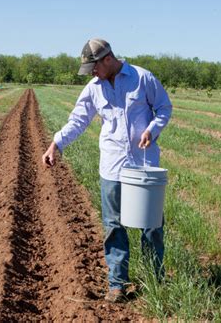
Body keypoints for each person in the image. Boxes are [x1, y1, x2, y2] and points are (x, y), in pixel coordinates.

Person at [42, 38, 172, 303]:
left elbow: (164, 108)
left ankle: (154, 281)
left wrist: (152, 130)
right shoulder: (93, 89)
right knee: (113, 226)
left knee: (152, 226)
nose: (92, 73)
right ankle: (117, 284)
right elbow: (78, 121)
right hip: (112, 168)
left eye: (94, 67)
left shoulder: (142, 78)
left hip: (143, 165)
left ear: (108, 60)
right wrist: (56, 144)